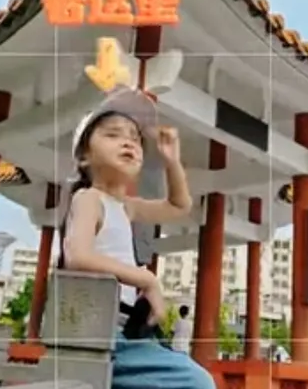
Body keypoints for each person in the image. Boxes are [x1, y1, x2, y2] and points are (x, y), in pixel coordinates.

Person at [62, 84, 216, 389]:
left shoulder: (126, 207)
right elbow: (77, 256)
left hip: (123, 329)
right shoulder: (88, 198)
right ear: (83, 157)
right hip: (98, 331)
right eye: (112, 134)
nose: (128, 142)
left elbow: (179, 205)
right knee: (197, 382)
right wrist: (146, 279)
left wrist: (171, 160)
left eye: (135, 138)